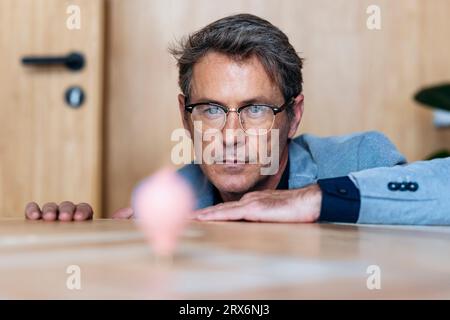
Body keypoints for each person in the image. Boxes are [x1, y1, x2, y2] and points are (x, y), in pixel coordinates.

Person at [24, 14, 450, 225]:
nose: (230, 135)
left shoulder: (358, 158)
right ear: (185, 116)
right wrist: (74, 234)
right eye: (210, 109)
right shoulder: (177, 194)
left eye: (255, 109)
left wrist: (317, 199)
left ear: (294, 115)